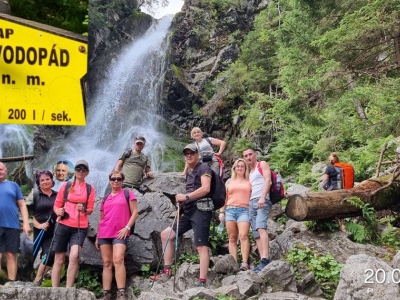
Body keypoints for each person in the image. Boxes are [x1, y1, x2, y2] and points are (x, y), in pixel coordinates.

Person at [150, 144, 213, 287]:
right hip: (189, 211)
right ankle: (167, 272)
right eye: (186, 154)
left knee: (201, 246)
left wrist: (185, 196)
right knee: (166, 235)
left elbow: (206, 188)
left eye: (192, 153)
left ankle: (202, 282)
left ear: (198, 154)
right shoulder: (190, 172)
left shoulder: (203, 167)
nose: (189, 155)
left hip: (201, 210)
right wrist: (183, 204)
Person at [52, 159, 96, 287]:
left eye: (84, 169)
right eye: (78, 169)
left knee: (74, 256)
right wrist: (58, 211)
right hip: (63, 223)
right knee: (59, 258)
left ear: (87, 172)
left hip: (80, 226)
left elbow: (91, 210)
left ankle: (68, 289)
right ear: (74, 170)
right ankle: (55, 290)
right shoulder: (65, 185)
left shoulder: (90, 188)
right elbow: (57, 204)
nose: (81, 171)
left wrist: (84, 209)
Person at [95, 171, 138, 300]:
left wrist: (127, 228)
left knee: (118, 259)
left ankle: (121, 293)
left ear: (122, 181)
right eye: (113, 179)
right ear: (109, 181)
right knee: (107, 263)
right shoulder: (106, 197)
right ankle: (106, 294)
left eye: (119, 179)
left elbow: (135, 212)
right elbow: (101, 219)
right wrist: (98, 236)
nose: (116, 181)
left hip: (120, 232)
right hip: (104, 233)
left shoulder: (127, 193)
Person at [242, 148, 272, 273]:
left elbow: (268, 181)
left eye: (250, 154)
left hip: (262, 200)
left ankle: (265, 259)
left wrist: (263, 197)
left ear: (255, 155)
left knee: (261, 228)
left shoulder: (262, 164)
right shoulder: (250, 172)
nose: (248, 157)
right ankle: (261, 261)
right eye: (246, 156)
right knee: (256, 233)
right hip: (252, 202)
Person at [218, 158, 252, 271]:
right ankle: (234, 264)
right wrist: (221, 212)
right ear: (234, 168)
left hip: (244, 210)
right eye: (238, 166)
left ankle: (245, 263)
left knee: (243, 236)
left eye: (242, 166)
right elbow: (225, 198)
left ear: (245, 168)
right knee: (232, 238)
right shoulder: (229, 182)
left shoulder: (250, 181)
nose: (240, 168)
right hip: (230, 211)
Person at [0, 162, 30, 284]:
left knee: (11, 255)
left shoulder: (14, 185)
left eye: (1, 169)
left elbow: (22, 205)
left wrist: (26, 223)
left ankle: (11, 283)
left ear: (6, 171)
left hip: (12, 225)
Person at [32, 170, 57, 286]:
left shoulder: (57, 195)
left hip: (52, 231)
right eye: (42, 180)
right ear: (38, 182)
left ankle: (37, 280)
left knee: (50, 254)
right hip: (37, 231)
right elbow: (28, 214)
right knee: (30, 255)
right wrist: (39, 225)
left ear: (52, 180)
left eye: (47, 179)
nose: (45, 182)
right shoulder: (35, 195)